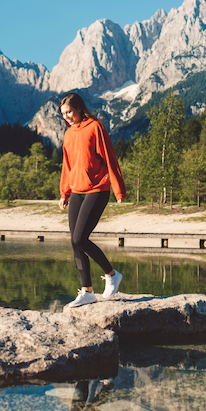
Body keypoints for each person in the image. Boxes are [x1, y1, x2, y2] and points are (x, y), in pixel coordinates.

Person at [58, 93, 127, 307]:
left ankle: (111, 274)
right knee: (75, 242)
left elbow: (110, 158)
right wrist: (64, 192)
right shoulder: (69, 134)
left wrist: (119, 190)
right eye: (63, 114)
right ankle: (87, 291)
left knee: (80, 238)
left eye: (69, 111)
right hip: (77, 191)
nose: (67, 116)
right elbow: (67, 166)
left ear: (79, 108)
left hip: (97, 189)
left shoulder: (95, 127)